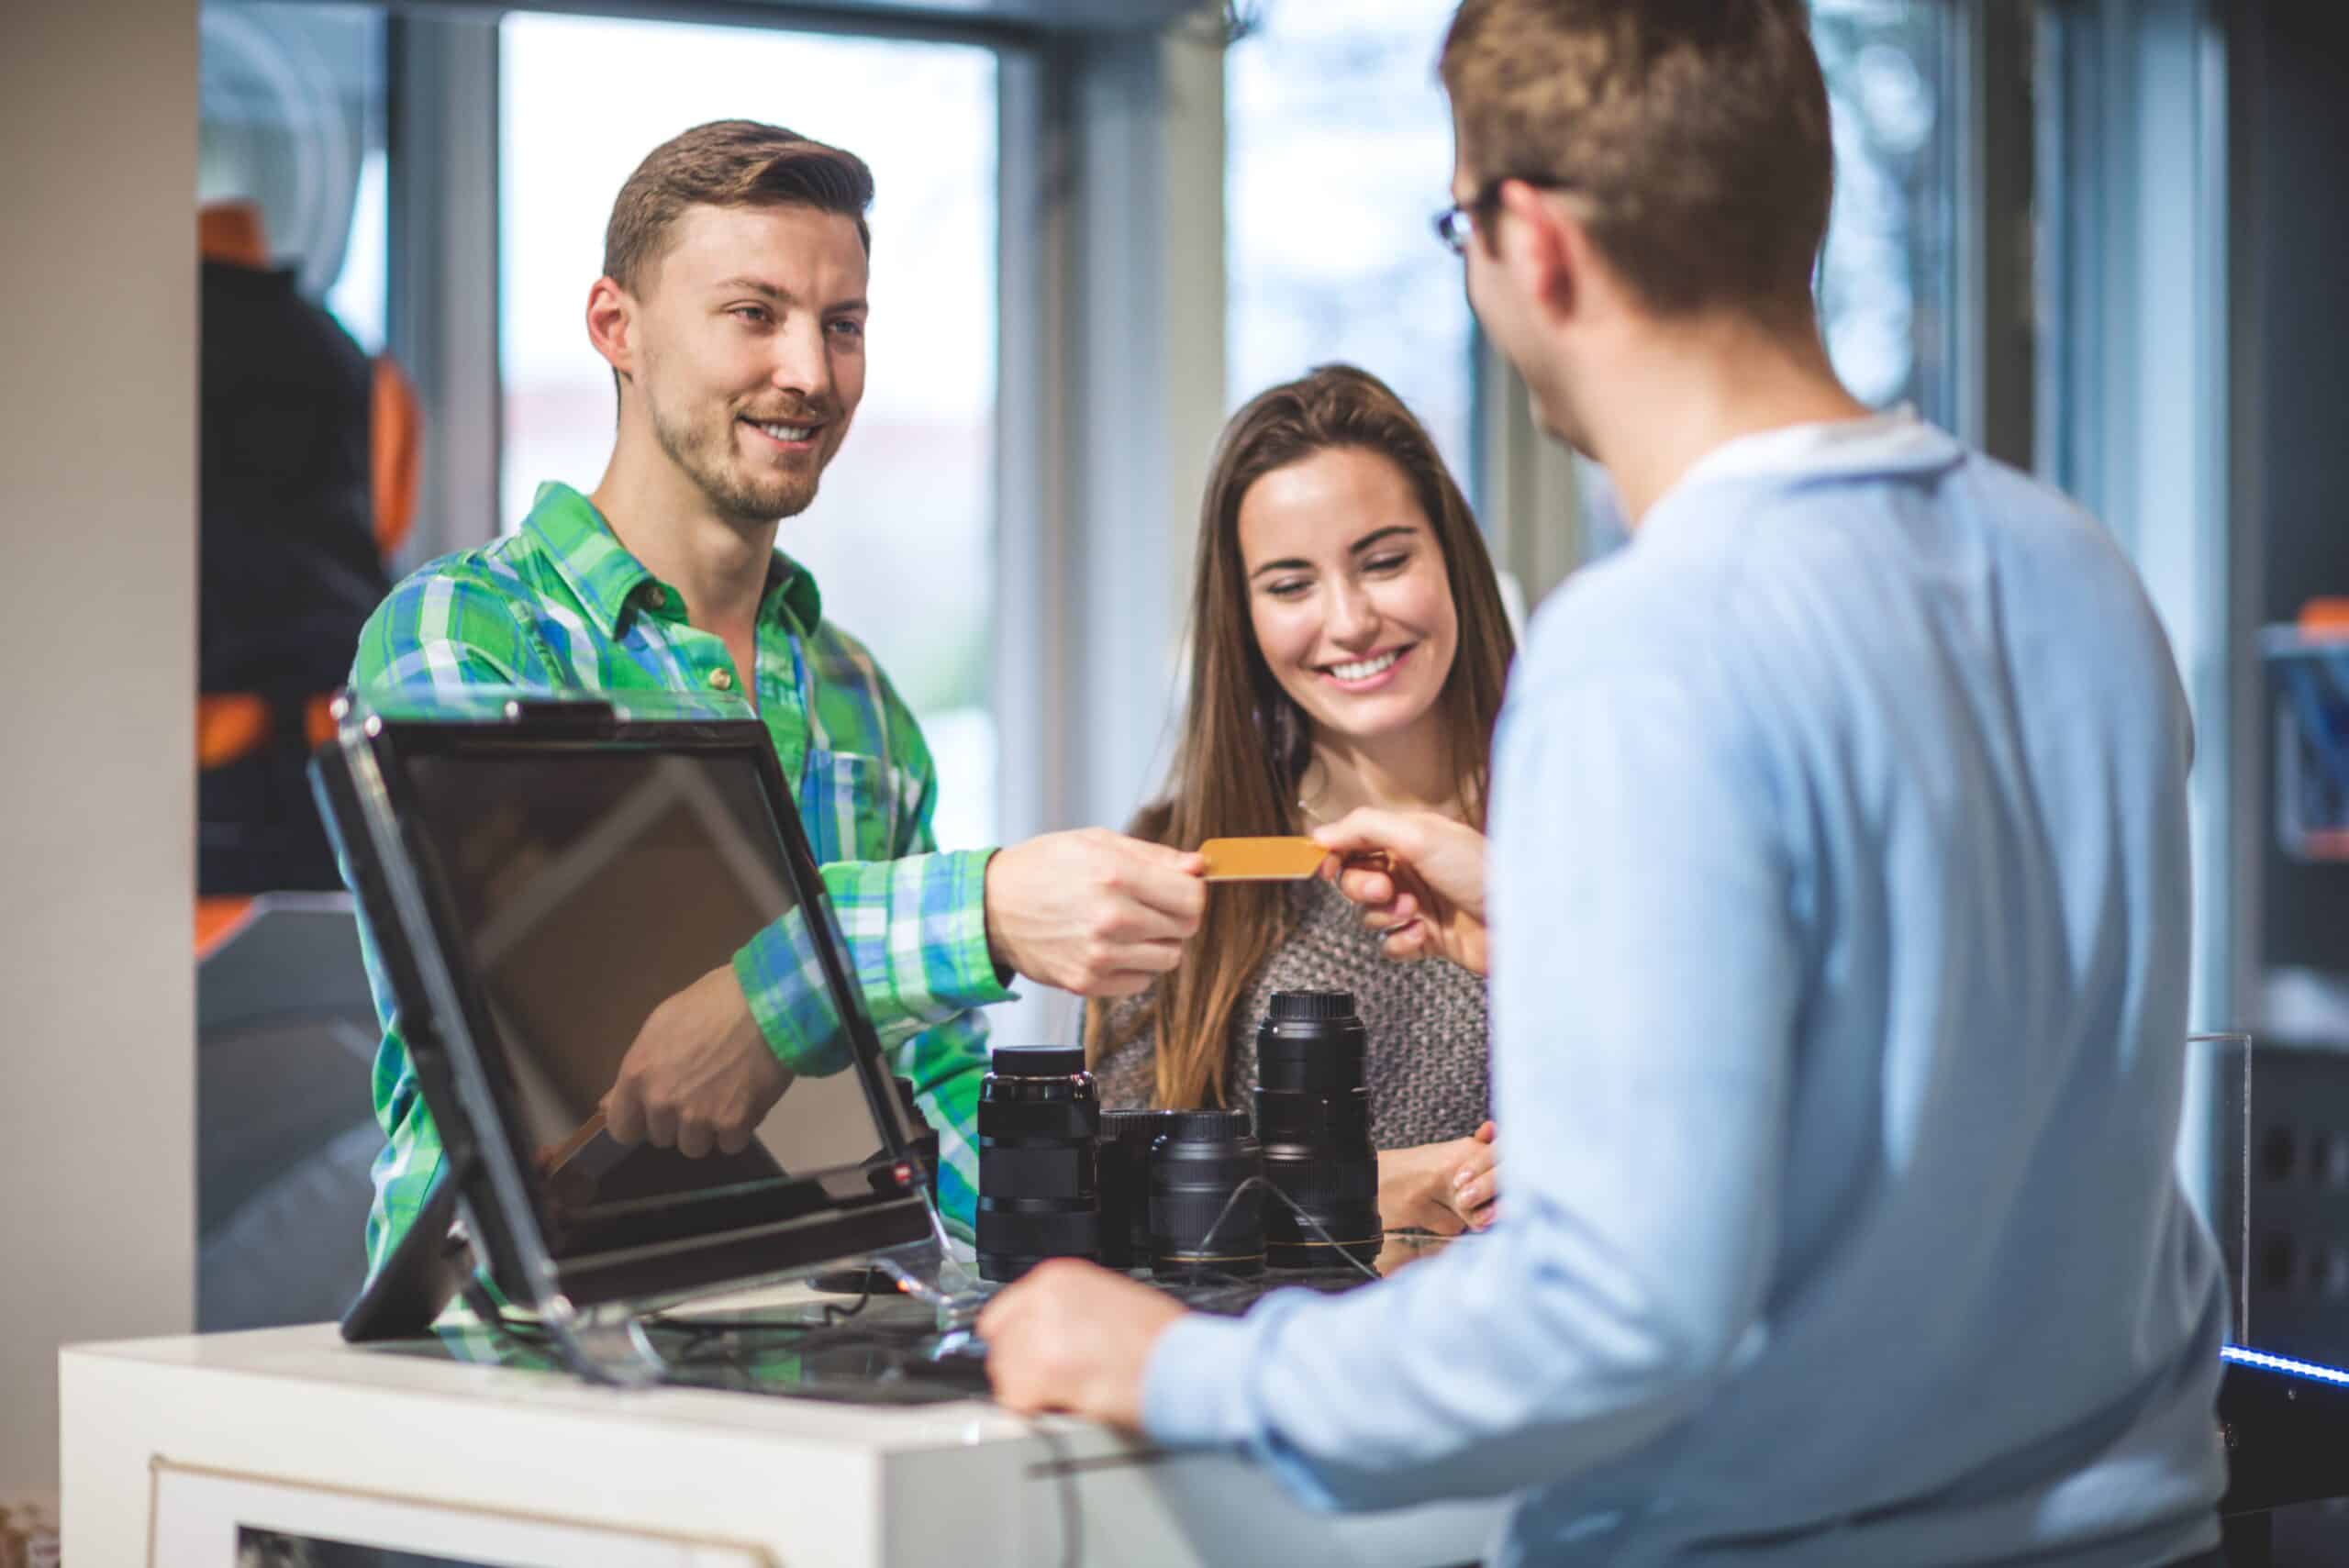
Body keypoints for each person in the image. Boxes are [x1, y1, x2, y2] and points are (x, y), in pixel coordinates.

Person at [976, 5, 2230, 1565]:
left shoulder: (1646, 652)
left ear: (1534, 245)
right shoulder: (2077, 570)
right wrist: (1571, 930)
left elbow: (1608, 1316)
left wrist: (1175, 1360)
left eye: (1460, 227)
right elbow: (1955, 1056)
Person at [347, 120, 1208, 1271]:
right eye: (754, 314)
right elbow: (597, 1037)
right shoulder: (466, 636)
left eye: (841, 324)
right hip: (515, 1349)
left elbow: (918, 1083)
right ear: (618, 328)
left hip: (812, 1335)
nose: (809, 371)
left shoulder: (859, 695)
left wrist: (1141, 1219)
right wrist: (981, 912)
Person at [1085, 364, 1514, 1234]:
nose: (1350, 620)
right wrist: (1356, 1190)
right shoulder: (1178, 859)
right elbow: (1108, 1202)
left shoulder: (1597, 825)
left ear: (1452, 558)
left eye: (1385, 561)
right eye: (1290, 585)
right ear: (1241, 618)